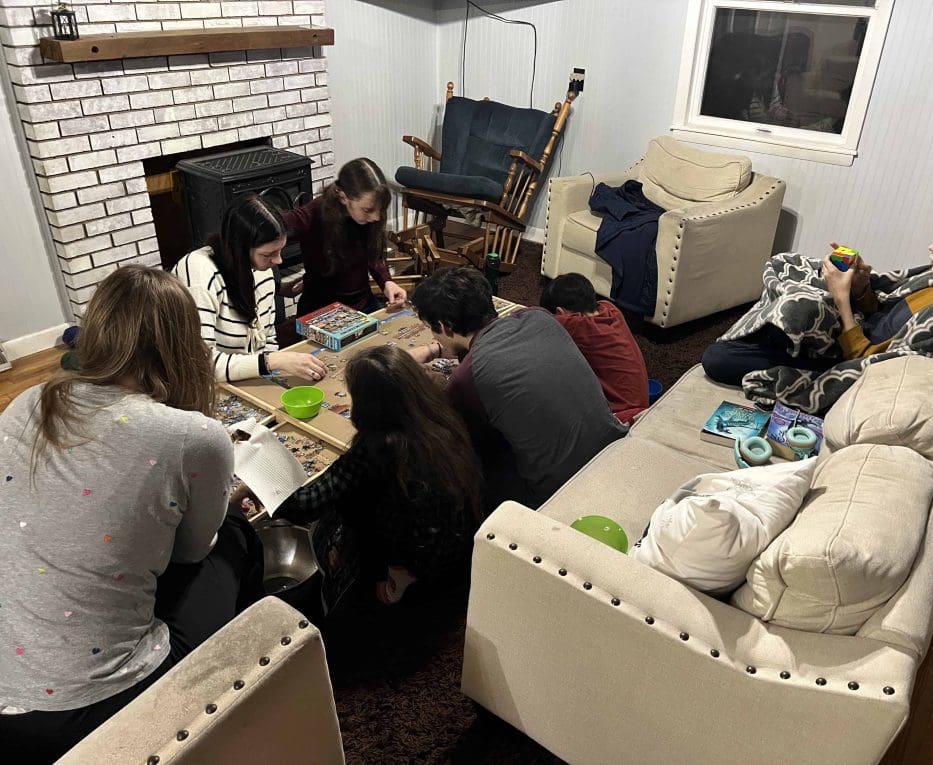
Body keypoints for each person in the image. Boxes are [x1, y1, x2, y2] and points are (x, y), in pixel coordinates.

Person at [0, 267, 263, 764]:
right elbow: (191, 553)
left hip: (5, 698)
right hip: (89, 707)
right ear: (184, 345)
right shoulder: (193, 435)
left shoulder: (27, 400)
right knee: (233, 534)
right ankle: (242, 681)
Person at [702, 199, 933, 412]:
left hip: (844, 359)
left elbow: (872, 365)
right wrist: (860, 283)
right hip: (851, 326)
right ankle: (780, 330)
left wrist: (841, 297)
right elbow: (883, 305)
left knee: (718, 358)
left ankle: (780, 334)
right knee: (787, 263)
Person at [274, 344, 482, 613]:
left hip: (413, 560)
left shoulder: (379, 448)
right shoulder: (440, 414)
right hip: (456, 547)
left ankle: (392, 582)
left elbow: (303, 505)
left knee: (329, 522)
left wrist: (265, 472)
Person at [409, 267, 628, 508]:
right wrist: (439, 350)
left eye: (432, 329)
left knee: (461, 463)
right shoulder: (539, 316)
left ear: (445, 325)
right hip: (613, 452)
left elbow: (464, 442)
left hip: (558, 494)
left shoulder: (465, 380)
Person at [172, 194, 327, 384]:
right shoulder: (199, 270)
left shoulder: (262, 271)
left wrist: (273, 367)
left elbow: (267, 341)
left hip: (247, 380)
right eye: (268, 254)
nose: (278, 261)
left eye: (280, 251)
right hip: (207, 386)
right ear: (239, 249)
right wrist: (272, 362)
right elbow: (198, 365)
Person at [283, 158, 407, 316]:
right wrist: (277, 286)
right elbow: (263, 231)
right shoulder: (312, 215)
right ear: (343, 197)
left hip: (363, 304)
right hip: (321, 310)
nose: (376, 217)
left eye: (380, 210)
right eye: (368, 210)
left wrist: (387, 281)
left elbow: (374, 253)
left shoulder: (372, 214)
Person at [540, 273, 650, 424]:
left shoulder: (577, 326)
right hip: (641, 405)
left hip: (621, 418)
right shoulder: (610, 309)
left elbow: (537, 321)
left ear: (560, 313)